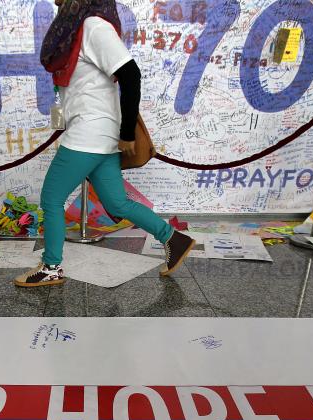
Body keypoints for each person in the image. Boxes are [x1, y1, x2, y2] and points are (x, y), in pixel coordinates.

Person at [14, 0, 194, 287]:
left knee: (51, 198)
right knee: (116, 201)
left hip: (90, 132)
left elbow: (131, 74)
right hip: (96, 132)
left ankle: (51, 267)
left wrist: (127, 133)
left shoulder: (93, 26)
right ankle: (173, 238)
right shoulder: (76, 29)